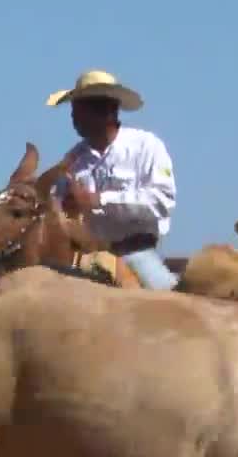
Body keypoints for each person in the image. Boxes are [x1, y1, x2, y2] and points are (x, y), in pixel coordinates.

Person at [44, 69, 180, 291]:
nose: (73, 118)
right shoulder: (72, 161)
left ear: (107, 111)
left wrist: (98, 200)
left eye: (79, 111)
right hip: (84, 259)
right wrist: (62, 208)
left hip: (136, 256)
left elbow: (161, 201)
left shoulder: (146, 146)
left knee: (170, 305)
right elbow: (54, 208)